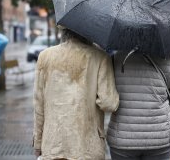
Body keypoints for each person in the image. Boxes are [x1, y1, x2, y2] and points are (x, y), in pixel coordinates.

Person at [33, 28, 119, 159]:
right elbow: (109, 104)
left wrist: (38, 144)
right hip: (86, 147)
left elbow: (39, 105)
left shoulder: (45, 56)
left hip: (53, 144)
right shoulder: (100, 57)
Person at [107, 52, 170, 160]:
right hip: (160, 134)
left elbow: (106, 96)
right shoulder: (166, 56)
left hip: (122, 136)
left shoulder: (115, 56)